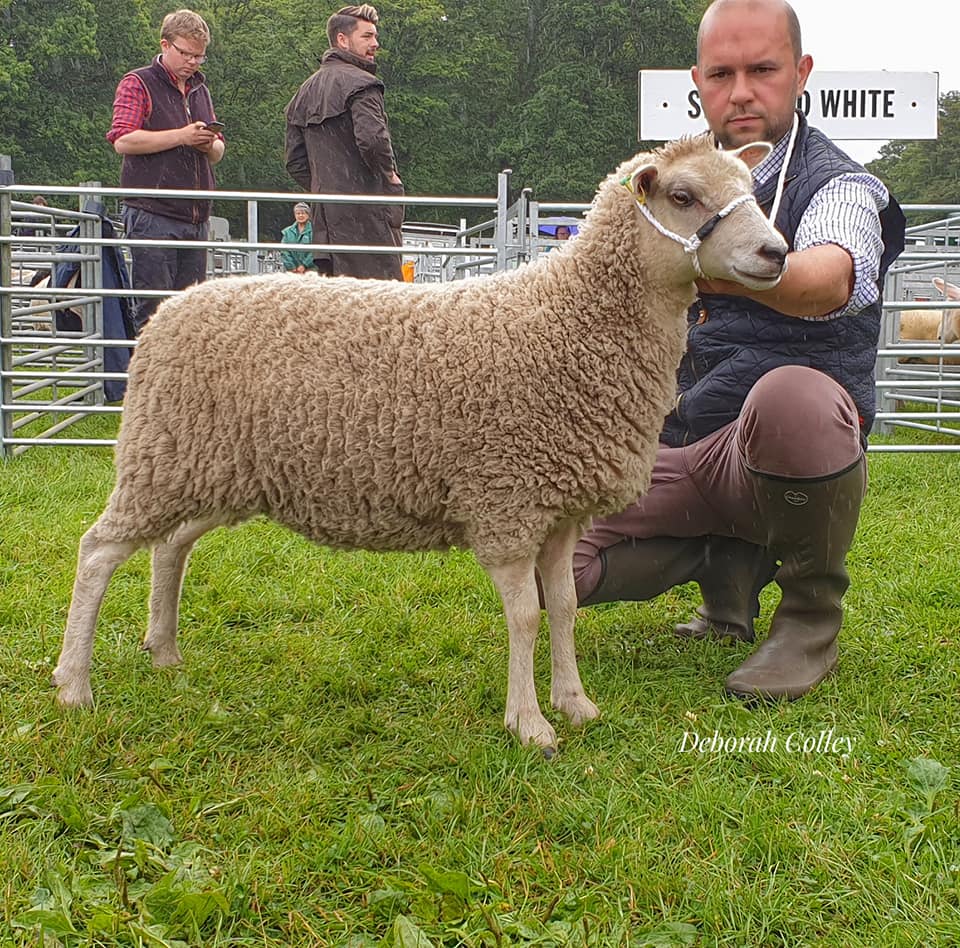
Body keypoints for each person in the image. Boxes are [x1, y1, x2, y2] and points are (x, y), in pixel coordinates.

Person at [571, 0, 905, 702]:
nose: (742, 91)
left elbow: (829, 279)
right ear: (699, 80)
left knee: (796, 399)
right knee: (545, 548)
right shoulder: (673, 178)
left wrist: (703, 263)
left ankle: (810, 620)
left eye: (763, 69)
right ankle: (724, 559)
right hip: (678, 437)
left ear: (801, 72)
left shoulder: (839, 182)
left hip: (770, 455)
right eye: (722, 74)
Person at [107, 8, 225, 332]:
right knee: (154, 313)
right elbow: (123, 139)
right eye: (186, 53)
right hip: (152, 212)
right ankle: (150, 382)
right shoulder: (138, 83)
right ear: (165, 45)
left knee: (192, 315)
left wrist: (206, 143)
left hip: (196, 216)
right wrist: (182, 136)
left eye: (199, 57)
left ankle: (183, 383)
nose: (193, 62)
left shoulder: (201, 89)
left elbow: (218, 152)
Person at [284, 4, 404, 280]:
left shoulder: (302, 94)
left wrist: (325, 187)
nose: (375, 43)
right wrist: (390, 176)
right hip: (368, 216)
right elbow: (373, 141)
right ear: (342, 39)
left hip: (326, 220)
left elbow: (294, 162)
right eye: (367, 36)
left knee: (338, 309)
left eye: (375, 36)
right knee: (382, 302)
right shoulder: (363, 84)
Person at [280, 202, 318, 273]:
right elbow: (284, 251)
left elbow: (316, 250)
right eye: (298, 213)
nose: (300, 215)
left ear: (308, 215)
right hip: (292, 272)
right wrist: (292, 267)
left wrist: (304, 265)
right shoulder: (287, 232)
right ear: (295, 215)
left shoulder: (315, 231)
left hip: (311, 271)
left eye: (303, 213)